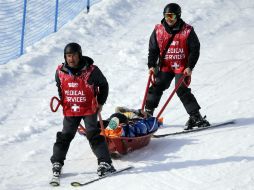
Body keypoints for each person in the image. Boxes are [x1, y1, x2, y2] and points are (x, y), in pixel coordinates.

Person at [50, 42, 115, 177]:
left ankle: (105, 162)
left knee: (93, 134)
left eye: (73, 55)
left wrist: (100, 102)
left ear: (79, 55)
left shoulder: (92, 71)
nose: (71, 59)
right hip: (70, 110)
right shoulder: (60, 72)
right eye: (68, 56)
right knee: (65, 135)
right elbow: (59, 86)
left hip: (88, 109)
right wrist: (64, 99)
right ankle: (57, 162)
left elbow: (104, 85)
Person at [145, 3, 210, 130]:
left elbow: (194, 50)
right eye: (166, 16)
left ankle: (195, 116)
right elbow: (153, 49)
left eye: (172, 16)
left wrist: (190, 66)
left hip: (181, 66)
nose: (169, 19)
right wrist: (151, 65)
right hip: (165, 65)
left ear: (178, 16)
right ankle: (148, 113)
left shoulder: (187, 31)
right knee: (157, 85)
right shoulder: (158, 30)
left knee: (181, 88)